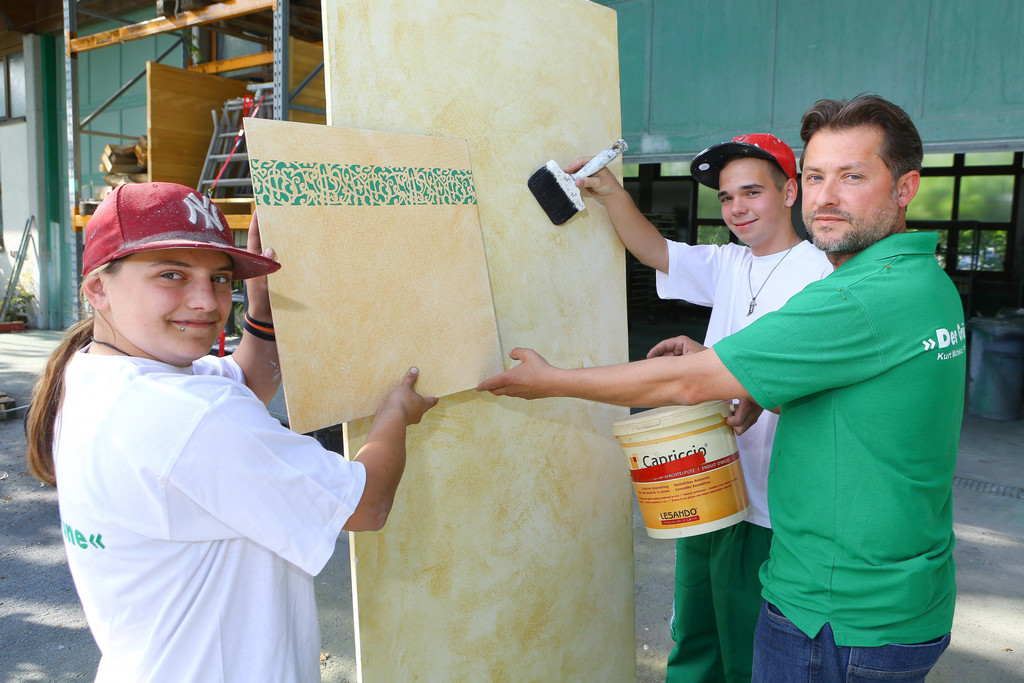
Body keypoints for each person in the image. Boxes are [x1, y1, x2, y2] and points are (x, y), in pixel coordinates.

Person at [479, 94, 964, 682]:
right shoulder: (917, 279)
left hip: (834, 605)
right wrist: (754, 383)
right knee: (697, 632)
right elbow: (833, 383)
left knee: (736, 643)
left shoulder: (847, 291)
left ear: (905, 187)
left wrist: (552, 381)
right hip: (801, 535)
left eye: (853, 176)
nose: (827, 195)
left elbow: (690, 383)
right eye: (818, 175)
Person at [25, 182, 438, 682]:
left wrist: (260, 311)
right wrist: (395, 414)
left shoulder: (94, 373)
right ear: (98, 289)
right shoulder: (187, 415)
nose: (206, 301)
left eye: (220, 278)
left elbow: (246, 380)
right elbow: (366, 503)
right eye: (172, 274)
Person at [567, 133, 832, 682]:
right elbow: (652, 249)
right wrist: (611, 192)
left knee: (747, 640)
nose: (737, 208)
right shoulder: (728, 263)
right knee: (694, 629)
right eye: (727, 197)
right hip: (706, 478)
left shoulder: (823, 274)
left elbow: (820, 380)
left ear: (790, 193)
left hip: (772, 499)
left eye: (752, 192)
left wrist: (757, 391)